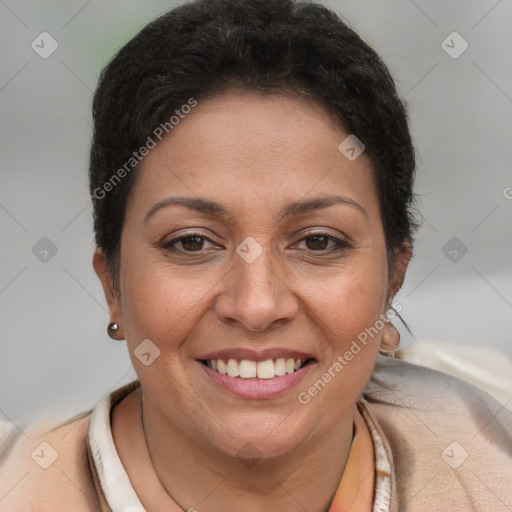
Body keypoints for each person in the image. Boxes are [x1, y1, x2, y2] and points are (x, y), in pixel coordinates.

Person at [1, 0, 511, 510]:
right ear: (112, 284)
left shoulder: (491, 449)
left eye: (318, 241)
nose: (256, 306)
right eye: (192, 242)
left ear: (393, 279)